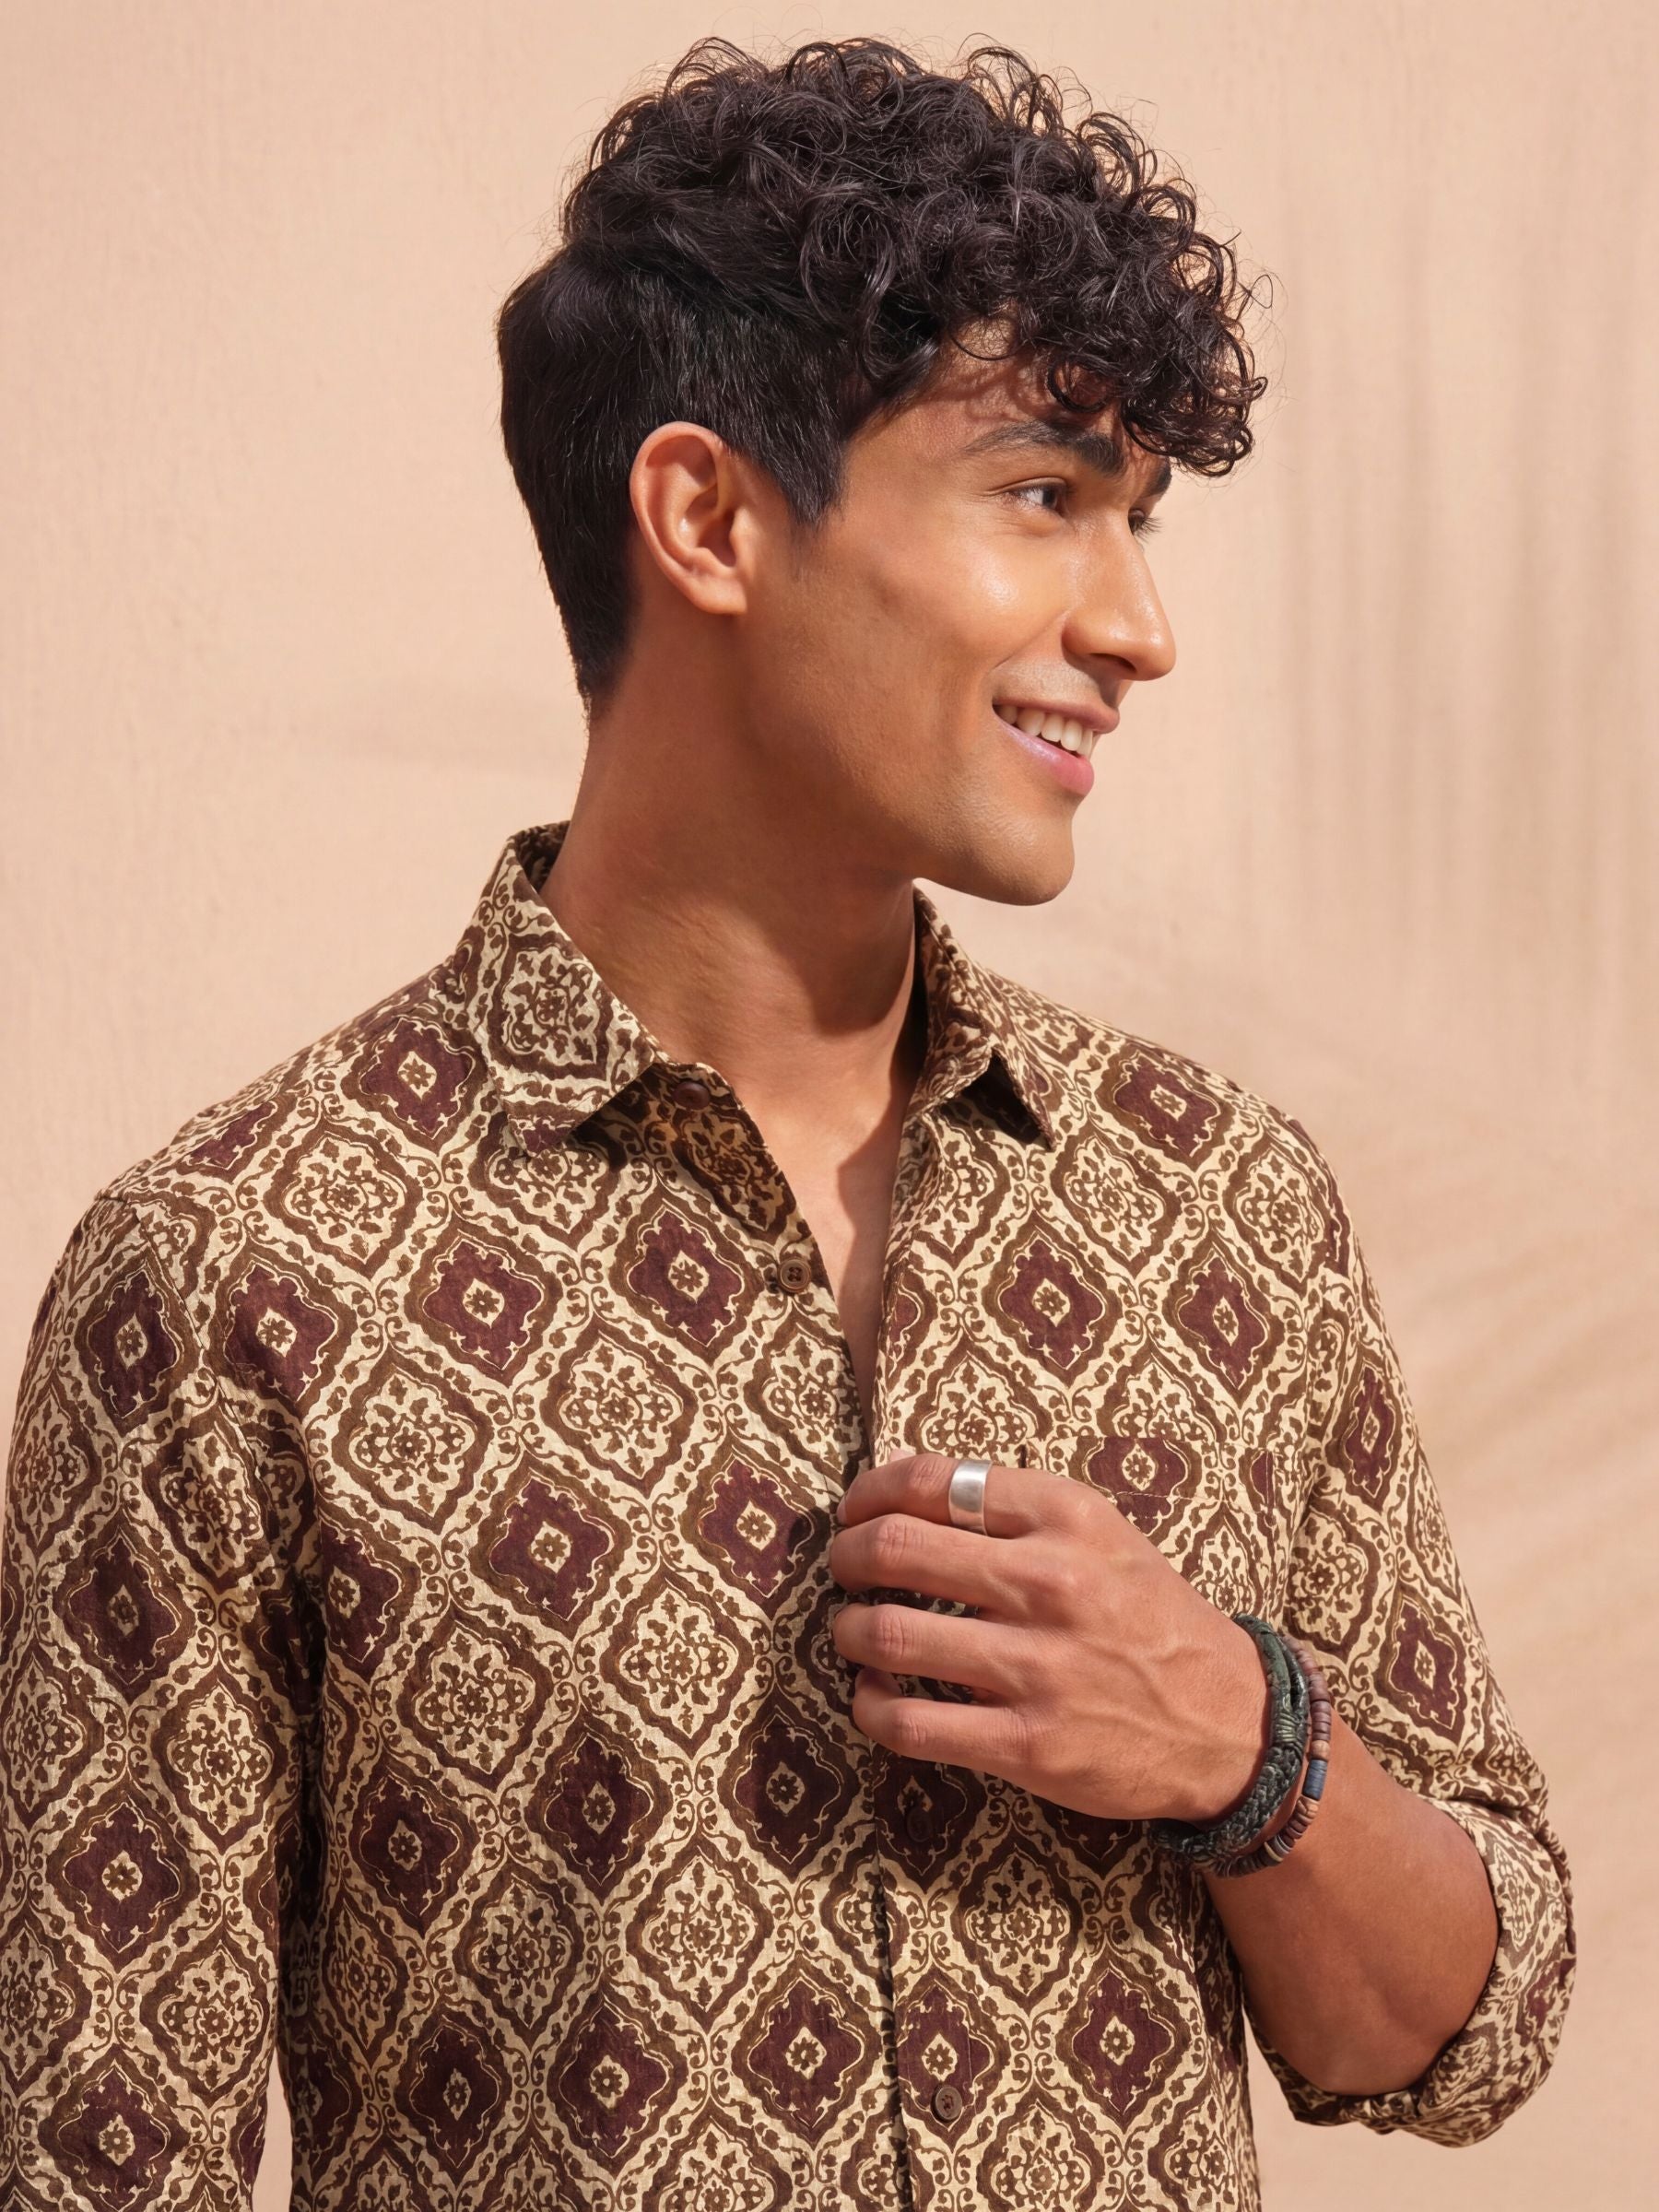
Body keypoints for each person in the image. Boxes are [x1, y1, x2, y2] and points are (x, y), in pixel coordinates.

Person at [0, 33, 1573, 2212]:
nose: (1138, 629)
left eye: (1137, 521)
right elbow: (95, 2164)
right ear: (710, 518)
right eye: (1046, 495)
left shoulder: (1216, 1204)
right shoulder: (234, 1277)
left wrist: (1242, 1735)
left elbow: (1465, 2037)